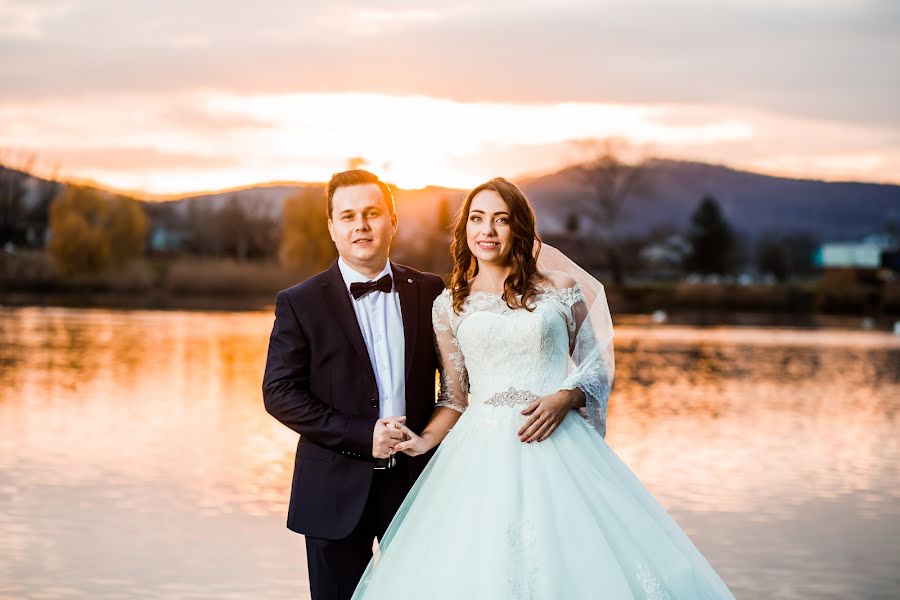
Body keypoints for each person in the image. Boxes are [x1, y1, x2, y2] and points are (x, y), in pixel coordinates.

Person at [351, 177, 735, 599]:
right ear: (464, 230)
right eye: (477, 219)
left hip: (559, 444)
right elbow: (455, 396)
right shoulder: (450, 304)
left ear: (519, 227)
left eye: (500, 220)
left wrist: (566, 396)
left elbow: (597, 366)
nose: (487, 231)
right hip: (479, 455)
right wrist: (424, 441)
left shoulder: (561, 289)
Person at [262, 169, 445, 600]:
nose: (361, 225)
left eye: (371, 213)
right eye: (347, 216)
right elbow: (279, 393)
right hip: (332, 491)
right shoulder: (300, 302)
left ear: (392, 221)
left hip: (417, 487)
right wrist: (364, 436)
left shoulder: (431, 291)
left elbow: (458, 385)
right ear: (332, 226)